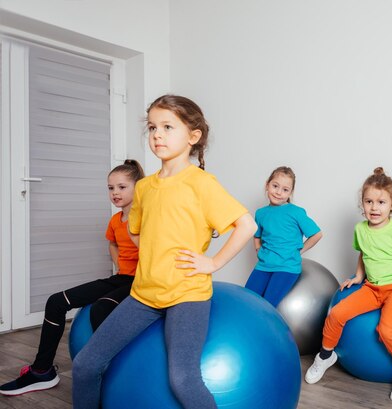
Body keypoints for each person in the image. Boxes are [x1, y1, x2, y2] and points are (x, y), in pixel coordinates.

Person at [71, 95, 257, 409]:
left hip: (187, 294)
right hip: (144, 294)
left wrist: (212, 262)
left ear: (193, 136)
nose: (158, 134)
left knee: (182, 379)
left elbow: (247, 225)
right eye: (153, 127)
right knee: (84, 365)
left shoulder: (201, 184)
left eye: (168, 127)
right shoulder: (143, 188)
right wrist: (156, 254)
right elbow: (136, 230)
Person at [0, 159, 144, 396]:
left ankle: (113, 375)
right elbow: (112, 243)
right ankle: (42, 371)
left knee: (101, 308)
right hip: (120, 278)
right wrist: (118, 263)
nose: (115, 192)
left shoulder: (147, 217)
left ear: (138, 187)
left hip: (140, 282)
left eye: (122, 187)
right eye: (110, 188)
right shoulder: (115, 221)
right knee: (56, 301)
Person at [305, 167, 392, 402]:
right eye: (369, 201)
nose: (374, 207)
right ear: (362, 204)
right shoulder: (360, 229)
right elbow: (363, 253)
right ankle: (326, 355)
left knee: (387, 330)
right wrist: (359, 276)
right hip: (372, 287)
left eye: (381, 202)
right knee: (337, 313)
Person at [245, 166, 322, 307]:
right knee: (247, 299)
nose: (279, 192)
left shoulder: (296, 212)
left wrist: (300, 250)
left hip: (287, 267)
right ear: (267, 185)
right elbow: (256, 235)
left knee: (267, 305)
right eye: (275, 186)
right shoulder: (261, 213)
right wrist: (258, 250)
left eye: (285, 190)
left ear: (290, 193)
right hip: (264, 265)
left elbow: (317, 234)